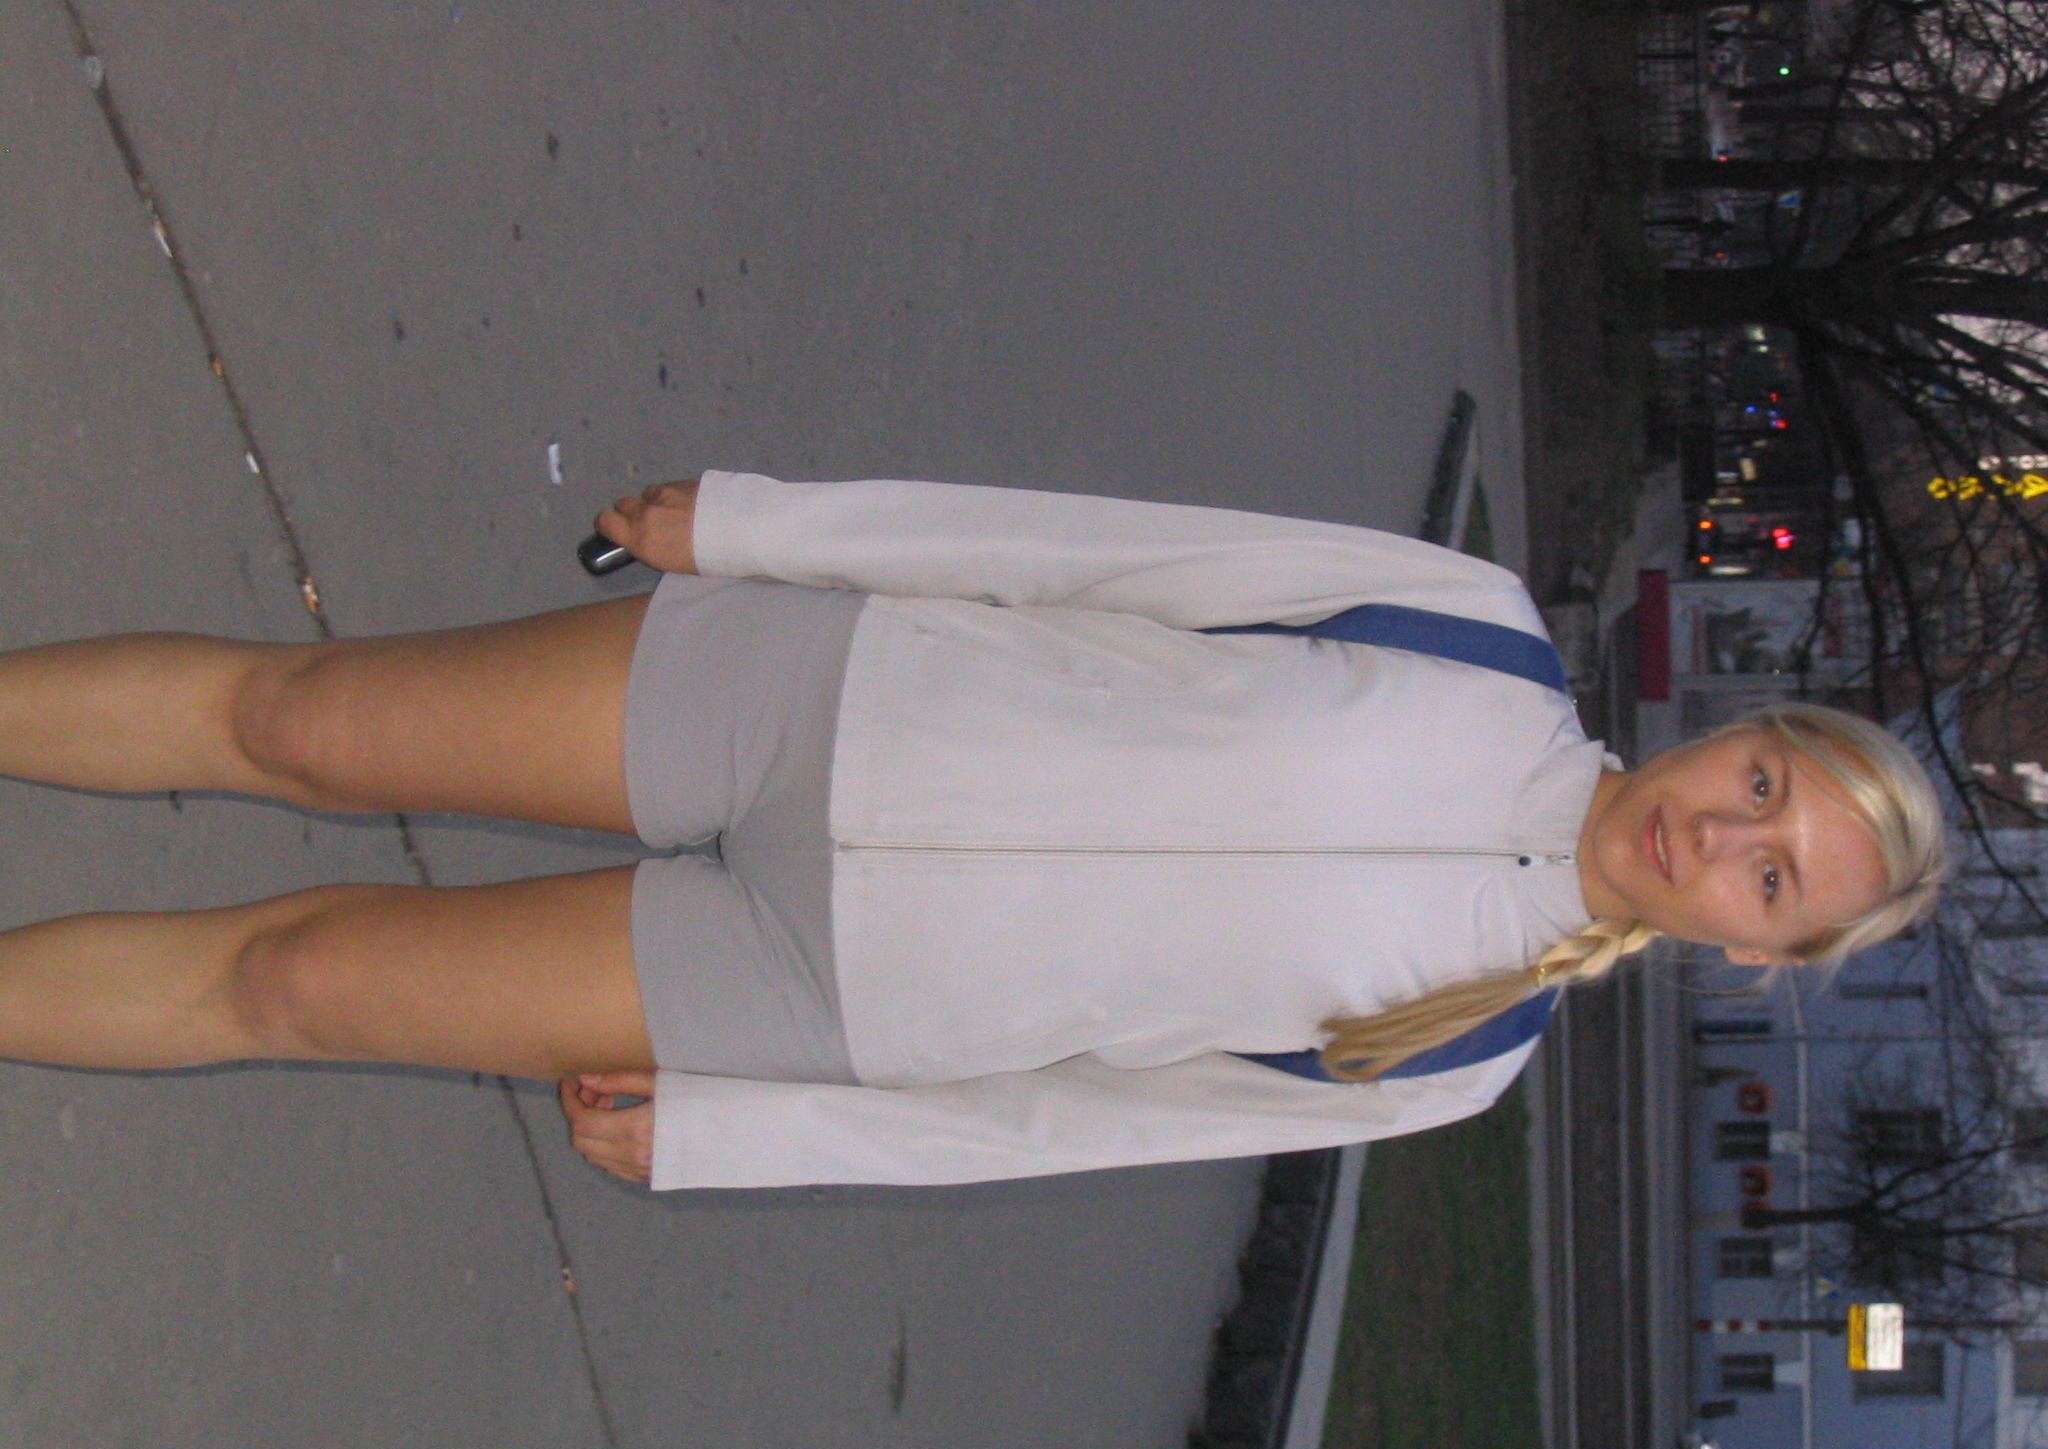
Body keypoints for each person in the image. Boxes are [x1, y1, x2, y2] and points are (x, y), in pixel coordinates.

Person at [0, 473, 1945, 1188]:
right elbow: (1089, 555)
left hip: (819, 993)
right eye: (1763, 789)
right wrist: (767, 528)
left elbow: (1076, 1123)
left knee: (304, 979)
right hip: (822, 697)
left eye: (1772, 882)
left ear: (1755, 954)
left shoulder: (1462, 1061)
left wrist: (750, 1134)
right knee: (307, 720)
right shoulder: (1470, 633)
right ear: (1743, 737)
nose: (1723, 839)